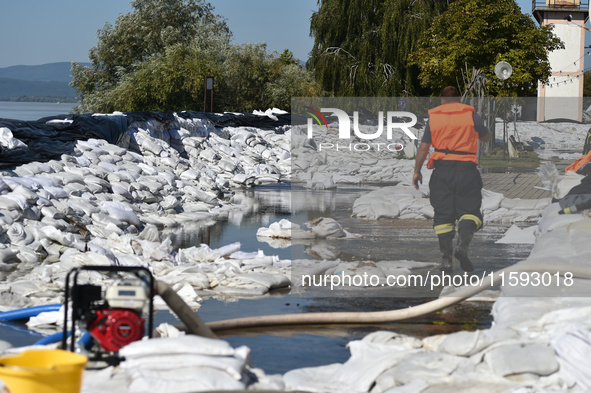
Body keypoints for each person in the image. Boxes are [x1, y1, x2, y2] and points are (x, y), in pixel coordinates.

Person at [412, 86, 491, 271]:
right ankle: (462, 246)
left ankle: (446, 259)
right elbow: (486, 137)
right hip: (467, 170)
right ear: (459, 99)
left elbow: (424, 147)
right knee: (470, 211)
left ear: (442, 100)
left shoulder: (435, 117)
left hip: (442, 170)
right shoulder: (471, 116)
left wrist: (417, 171)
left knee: (443, 215)